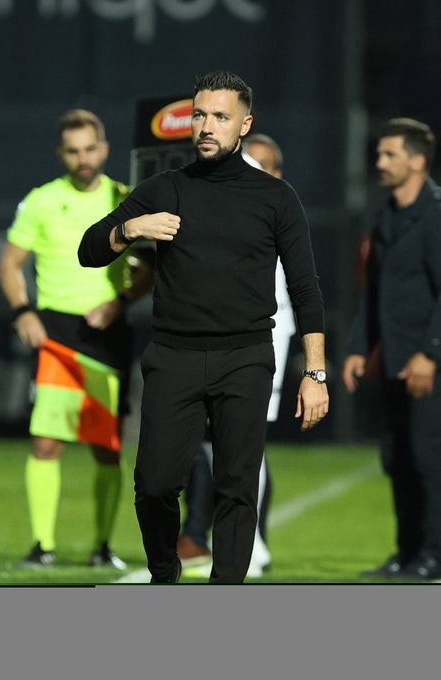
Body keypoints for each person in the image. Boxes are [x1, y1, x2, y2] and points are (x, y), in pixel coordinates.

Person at [79, 71, 328, 584]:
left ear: (244, 124)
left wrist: (316, 373)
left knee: (236, 487)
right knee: (152, 484)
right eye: (199, 115)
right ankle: (165, 575)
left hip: (246, 357)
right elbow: (89, 250)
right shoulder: (164, 188)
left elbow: (306, 290)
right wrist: (130, 229)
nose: (207, 126)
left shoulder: (276, 199)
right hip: (173, 357)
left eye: (220, 116)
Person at [0, 108, 153, 570]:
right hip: (57, 333)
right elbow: (9, 263)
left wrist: (119, 302)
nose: (83, 158)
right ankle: (41, 545)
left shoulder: (126, 199)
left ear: (104, 149)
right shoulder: (41, 201)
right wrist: (23, 312)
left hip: (107, 333)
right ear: (61, 153)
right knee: (46, 442)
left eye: (90, 148)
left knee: (107, 446)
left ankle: (102, 547)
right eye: (73, 150)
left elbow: (151, 271)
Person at [343, 118, 441, 582]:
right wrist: (360, 347)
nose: (379, 162)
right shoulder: (387, 216)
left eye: (389, 154)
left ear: (417, 161)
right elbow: (374, 294)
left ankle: (434, 558)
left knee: (429, 457)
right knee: (396, 458)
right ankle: (407, 552)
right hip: (395, 357)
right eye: (379, 154)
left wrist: (429, 354)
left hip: (435, 360)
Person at [176, 133, 290, 578]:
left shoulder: (275, 207)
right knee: (227, 443)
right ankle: (241, 540)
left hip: (264, 333)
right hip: (230, 333)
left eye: (263, 165)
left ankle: (251, 545)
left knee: (243, 442)